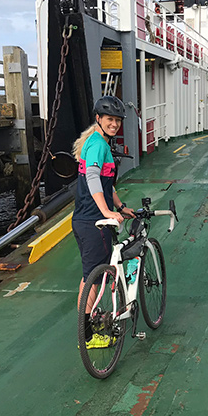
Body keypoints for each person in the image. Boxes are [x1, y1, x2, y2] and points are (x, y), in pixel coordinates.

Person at [72, 95, 135, 347]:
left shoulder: (97, 142)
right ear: (98, 119)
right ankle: (87, 336)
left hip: (84, 219)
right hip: (93, 221)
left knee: (89, 277)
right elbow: (94, 178)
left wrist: (119, 206)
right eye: (110, 119)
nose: (115, 124)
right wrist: (106, 212)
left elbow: (107, 185)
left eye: (118, 120)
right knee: (92, 281)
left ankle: (88, 328)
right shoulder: (98, 144)